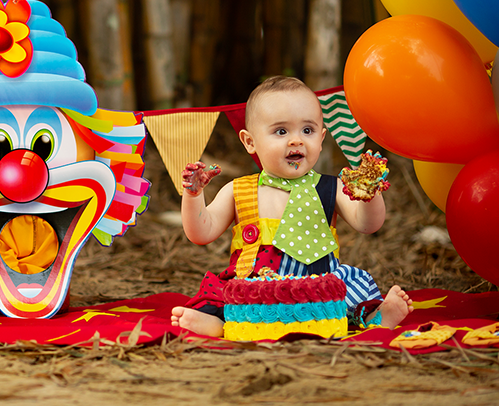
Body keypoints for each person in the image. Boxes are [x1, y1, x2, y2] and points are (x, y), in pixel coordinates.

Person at [170, 76, 413, 337]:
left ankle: (375, 317)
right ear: (249, 141)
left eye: (307, 131)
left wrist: (369, 193)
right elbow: (201, 233)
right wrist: (194, 195)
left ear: (321, 139)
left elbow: (368, 224)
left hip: (319, 289)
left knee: (350, 287)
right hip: (255, 286)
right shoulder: (238, 189)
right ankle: (220, 324)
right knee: (224, 294)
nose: (296, 140)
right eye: (281, 131)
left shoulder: (332, 187)